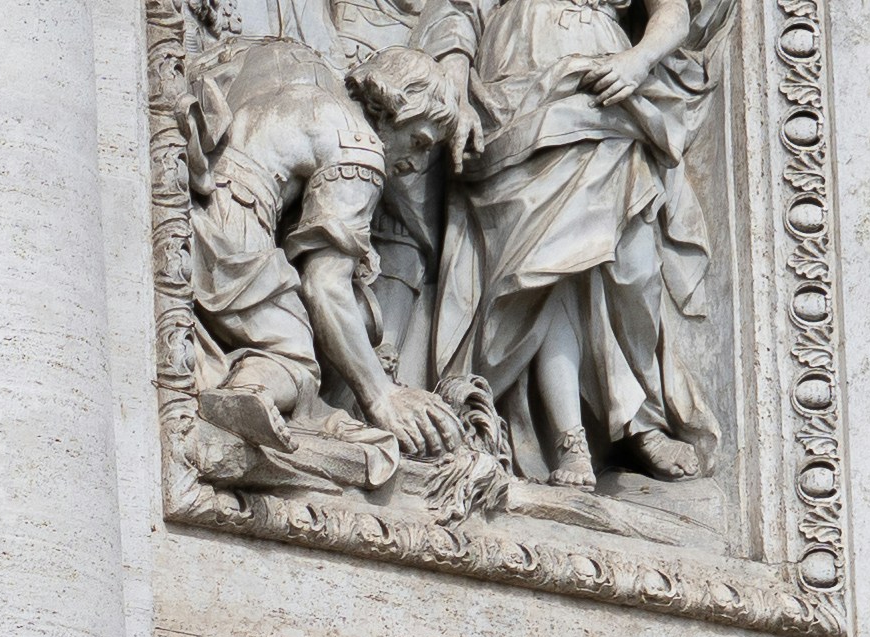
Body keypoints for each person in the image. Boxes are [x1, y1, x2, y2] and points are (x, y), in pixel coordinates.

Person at [434, 0, 730, 487]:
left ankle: (642, 412)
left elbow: (671, 10)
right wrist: (455, 88)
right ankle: (572, 440)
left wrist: (638, 60)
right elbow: (458, 9)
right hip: (518, 79)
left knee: (634, 266)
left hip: (607, 86)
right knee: (548, 269)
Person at [183, 38, 470, 485]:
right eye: (417, 140)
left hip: (192, 204)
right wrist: (381, 396)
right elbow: (325, 286)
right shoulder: (359, 148)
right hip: (235, 234)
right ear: (391, 106)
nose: (414, 163)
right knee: (296, 361)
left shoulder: (296, 67)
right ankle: (249, 391)